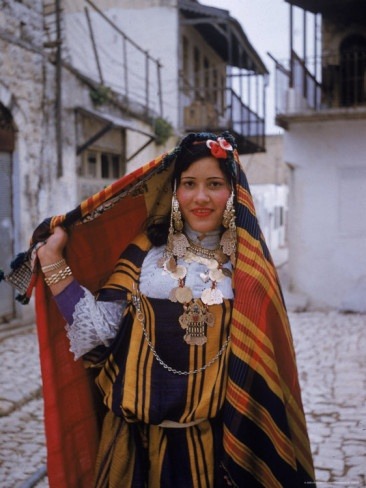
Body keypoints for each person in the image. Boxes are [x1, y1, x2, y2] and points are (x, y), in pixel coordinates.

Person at [26, 132, 315, 486]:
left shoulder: (249, 274)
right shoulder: (143, 258)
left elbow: (264, 376)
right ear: (174, 191)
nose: (201, 197)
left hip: (214, 456)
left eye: (215, 184)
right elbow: (99, 333)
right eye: (189, 184)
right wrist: (53, 261)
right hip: (133, 452)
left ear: (234, 193)